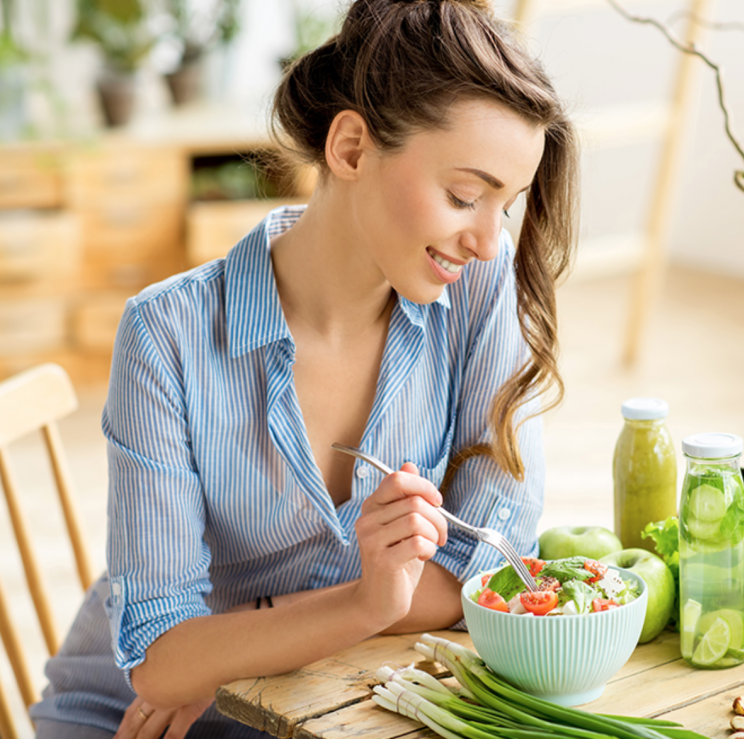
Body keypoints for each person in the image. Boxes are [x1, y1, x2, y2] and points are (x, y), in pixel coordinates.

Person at [29, 0, 579, 736]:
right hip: (138, 720)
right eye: (464, 196)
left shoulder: (480, 286)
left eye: (504, 206)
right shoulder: (167, 334)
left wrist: (225, 648)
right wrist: (365, 603)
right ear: (350, 148)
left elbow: (489, 569)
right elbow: (161, 659)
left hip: (326, 702)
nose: (486, 239)